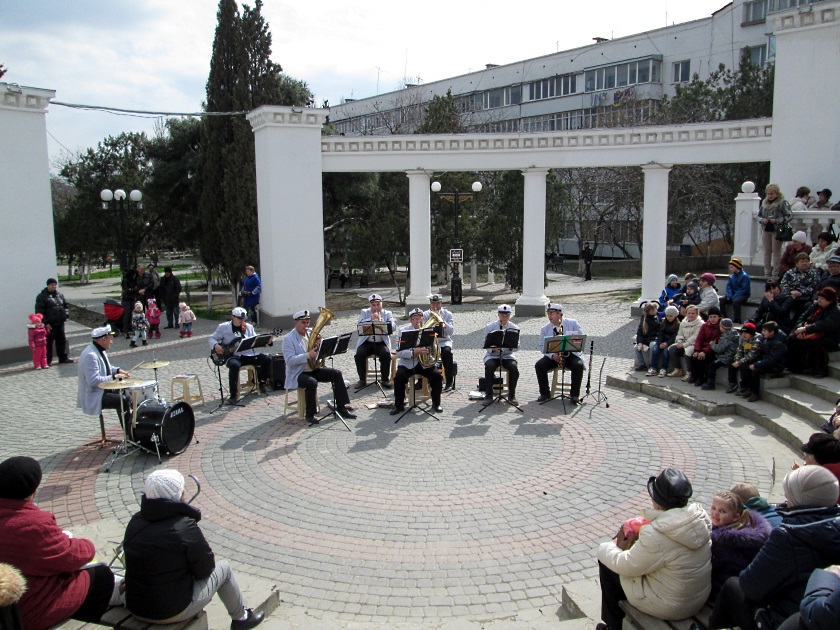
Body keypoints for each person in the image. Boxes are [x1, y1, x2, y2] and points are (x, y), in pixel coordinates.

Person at [123, 470, 264, 628]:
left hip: (136, 606)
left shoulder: (135, 521)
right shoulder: (184, 526)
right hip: (171, 610)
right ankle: (242, 618)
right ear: (177, 496)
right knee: (224, 569)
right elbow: (206, 568)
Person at [709, 466, 840, 630]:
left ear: (798, 500)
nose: (786, 502)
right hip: (808, 608)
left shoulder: (789, 535)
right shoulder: (833, 524)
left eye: (789, 498)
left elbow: (751, 586)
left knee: (732, 586)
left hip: (784, 620)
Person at [0, 456, 117, 630]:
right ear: (32, 492)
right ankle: (83, 623)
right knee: (101, 575)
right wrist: (85, 544)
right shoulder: (32, 524)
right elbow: (72, 556)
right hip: (18, 612)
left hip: (11, 596)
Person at [596, 468, 711, 630]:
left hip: (670, 606)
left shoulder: (656, 535)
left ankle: (613, 626)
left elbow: (626, 565)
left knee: (609, 563)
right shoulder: (698, 519)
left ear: (657, 501)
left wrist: (607, 547)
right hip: (697, 598)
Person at [282, 310, 356, 425]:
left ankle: (342, 407)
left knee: (336, 373)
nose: (306, 326)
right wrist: (308, 355)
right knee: (312, 383)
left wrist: (320, 346)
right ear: (295, 323)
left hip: (313, 369)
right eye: (303, 323)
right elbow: (289, 360)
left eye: (307, 323)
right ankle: (310, 414)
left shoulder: (309, 335)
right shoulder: (288, 339)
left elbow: (316, 353)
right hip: (298, 373)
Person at [708, 491, 771, 602]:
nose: (715, 514)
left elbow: (711, 567)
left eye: (722, 511)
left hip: (722, 591)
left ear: (736, 517)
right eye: (713, 508)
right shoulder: (749, 527)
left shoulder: (723, 541)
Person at [209, 307, 272, 403]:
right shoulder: (223, 327)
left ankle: (261, 382)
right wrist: (216, 345)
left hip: (248, 354)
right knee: (234, 365)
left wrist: (268, 342)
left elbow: (255, 340)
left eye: (243, 319)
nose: (241, 321)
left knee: (267, 359)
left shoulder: (249, 327)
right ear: (233, 317)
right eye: (239, 318)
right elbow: (212, 338)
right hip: (233, 356)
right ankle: (233, 395)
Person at [391, 308, 444, 415]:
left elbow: (435, 348)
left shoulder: (429, 330)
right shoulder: (403, 331)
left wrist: (430, 349)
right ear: (410, 320)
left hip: (425, 363)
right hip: (408, 362)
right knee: (399, 377)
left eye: (419, 318)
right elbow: (399, 352)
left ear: (422, 318)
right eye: (414, 319)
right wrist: (414, 352)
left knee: (437, 377)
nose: (417, 321)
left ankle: (436, 403)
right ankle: (399, 405)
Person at [77, 325, 132, 426]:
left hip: (101, 390)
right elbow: (93, 381)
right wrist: (113, 377)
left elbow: (107, 367)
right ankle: (128, 432)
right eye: (110, 339)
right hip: (94, 395)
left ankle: (132, 427)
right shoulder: (91, 355)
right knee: (122, 400)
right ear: (103, 339)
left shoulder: (99, 350)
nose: (112, 341)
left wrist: (118, 370)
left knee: (128, 393)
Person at [535, 303, 585, 403]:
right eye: (548, 313)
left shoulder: (573, 323)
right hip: (554, 355)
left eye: (551, 313)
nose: (549, 316)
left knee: (578, 365)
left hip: (570, 355)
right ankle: (545, 393)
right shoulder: (545, 329)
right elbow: (542, 346)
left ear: (559, 314)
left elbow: (581, 339)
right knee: (539, 365)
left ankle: (574, 395)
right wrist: (552, 355)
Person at [788, 286, 840, 378]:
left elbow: (824, 325)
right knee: (792, 339)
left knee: (816, 344)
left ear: (830, 300)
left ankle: (819, 370)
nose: (819, 300)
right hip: (808, 331)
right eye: (819, 298)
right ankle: (796, 367)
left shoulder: (835, 312)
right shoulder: (815, 306)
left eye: (822, 299)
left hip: (828, 336)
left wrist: (806, 329)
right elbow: (802, 317)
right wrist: (800, 327)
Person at [353, 294, 394, 388]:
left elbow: (394, 327)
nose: (376, 307)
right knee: (359, 354)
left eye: (378, 305)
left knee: (386, 354)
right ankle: (362, 380)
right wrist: (370, 319)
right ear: (370, 305)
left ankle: (385, 379)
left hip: (381, 342)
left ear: (381, 304)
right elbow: (359, 324)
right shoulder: (365, 312)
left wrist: (386, 324)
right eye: (373, 305)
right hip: (367, 342)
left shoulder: (387, 313)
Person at [483, 304, 520, 404]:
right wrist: (493, 349)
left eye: (507, 315)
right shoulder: (490, 327)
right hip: (493, 355)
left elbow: (517, 345)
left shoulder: (514, 327)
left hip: (507, 355)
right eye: (502, 315)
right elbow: (485, 344)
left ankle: (512, 395)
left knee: (513, 368)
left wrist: (511, 346)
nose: (504, 317)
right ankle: (488, 395)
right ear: (498, 314)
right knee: (489, 366)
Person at [34, 278, 73, 365]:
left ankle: (63, 358)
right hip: (50, 324)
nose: (54, 286)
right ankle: (48, 360)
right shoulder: (42, 296)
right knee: (48, 343)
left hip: (60, 322)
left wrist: (66, 315)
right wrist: (46, 322)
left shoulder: (60, 295)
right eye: (52, 284)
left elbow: (65, 305)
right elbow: (39, 311)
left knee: (61, 341)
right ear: (48, 285)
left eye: (55, 284)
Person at [757, 184, 792, 278]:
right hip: (766, 229)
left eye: (772, 194)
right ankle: (766, 272)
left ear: (777, 193)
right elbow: (759, 215)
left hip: (777, 230)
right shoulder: (764, 202)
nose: (770, 196)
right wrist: (762, 220)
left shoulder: (782, 202)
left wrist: (777, 220)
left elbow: (789, 215)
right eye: (768, 194)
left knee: (776, 252)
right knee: (767, 252)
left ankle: (775, 273)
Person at [424, 293, 455, 391]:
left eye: (437, 304)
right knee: (424, 354)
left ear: (441, 303)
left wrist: (442, 321)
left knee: (447, 353)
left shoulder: (447, 314)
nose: (435, 306)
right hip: (430, 342)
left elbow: (451, 332)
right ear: (430, 304)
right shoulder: (425, 315)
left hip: (444, 341)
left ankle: (449, 381)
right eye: (433, 304)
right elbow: (422, 331)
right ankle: (424, 381)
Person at [780, 252, 821, 322]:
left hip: (806, 297)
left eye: (806, 261)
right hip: (791, 296)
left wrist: (801, 292)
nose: (804, 263)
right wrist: (791, 292)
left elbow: (815, 286)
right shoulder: (789, 273)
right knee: (786, 301)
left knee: (806, 305)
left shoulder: (814, 273)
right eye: (802, 262)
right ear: (796, 264)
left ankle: (795, 322)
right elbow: (783, 285)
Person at [798, 432, 840, 499]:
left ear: (816, 459)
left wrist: (799, 478)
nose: (804, 458)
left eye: (806, 455)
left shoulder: (822, 481)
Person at [688, 306, 722, 386]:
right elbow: (699, 338)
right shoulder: (705, 326)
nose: (713, 319)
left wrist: (704, 351)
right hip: (703, 348)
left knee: (702, 358)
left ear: (719, 317)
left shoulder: (720, 328)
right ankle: (694, 376)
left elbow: (715, 342)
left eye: (715, 317)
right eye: (711, 317)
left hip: (713, 349)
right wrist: (697, 350)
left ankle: (701, 378)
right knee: (694, 356)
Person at [704, 317, 739, 391]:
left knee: (712, 366)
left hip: (726, 357)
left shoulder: (726, 337)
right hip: (729, 355)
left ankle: (710, 384)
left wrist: (712, 345)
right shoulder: (734, 333)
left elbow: (720, 349)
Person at [667, 305, 702, 377]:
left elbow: (696, 337)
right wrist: (679, 341)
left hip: (694, 344)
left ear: (697, 314)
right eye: (689, 313)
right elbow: (680, 333)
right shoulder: (683, 322)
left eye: (693, 313)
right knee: (672, 349)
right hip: (683, 342)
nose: (691, 315)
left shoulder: (700, 323)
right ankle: (678, 370)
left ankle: (689, 373)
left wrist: (684, 345)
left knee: (688, 352)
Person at [731, 322, 764, 398]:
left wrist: (739, 362)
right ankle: (733, 384)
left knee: (745, 366)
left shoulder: (757, 340)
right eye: (742, 333)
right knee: (731, 362)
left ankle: (748, 389)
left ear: (751, 333)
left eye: (746, 333)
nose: (743, 335)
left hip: (756, 359)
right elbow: (740, 350)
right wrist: (737, 359)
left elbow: (751, 355)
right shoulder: (743, 339)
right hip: (746, 358)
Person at [648, 305, 680, 377]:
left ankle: (664, 368)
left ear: (675, 316)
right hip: (662, 341)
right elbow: (660, 333)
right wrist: (660, 342)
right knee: (655, 350)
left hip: (670, 342)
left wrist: (667, 343)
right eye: (668, 316)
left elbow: (674, 336)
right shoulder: (663, 322)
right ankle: (653, 367)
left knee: (666, 352)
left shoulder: (677, 324)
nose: (669, 318)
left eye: (671, 316)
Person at [721, 258, 751, 323]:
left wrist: (735, 296)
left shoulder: (744, 276)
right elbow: (729, 286)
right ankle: (723, 316)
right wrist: (729, 295)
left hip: (743, 294)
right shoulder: (731, 277)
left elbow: (744, 288)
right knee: (721, 299)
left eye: (732, 267)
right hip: (733, 294)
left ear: (737, 267)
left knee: (736, 301)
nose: (730, 269)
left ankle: (737, 319)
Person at [633, 302, 660, 372]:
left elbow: (656, 333)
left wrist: (645, 343)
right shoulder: (644, 319)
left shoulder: (656, 319)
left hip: (653, 339)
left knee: (652, 345)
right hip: (645, 340)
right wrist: (640, 342)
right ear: (651, 311)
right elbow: (639, 332)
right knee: (636, 347)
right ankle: (642, 364)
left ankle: (651, 364)